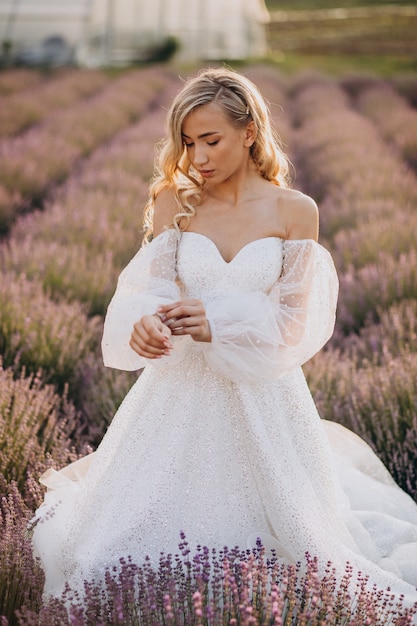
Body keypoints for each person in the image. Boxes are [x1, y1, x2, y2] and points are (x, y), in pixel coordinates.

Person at [32, 68, 417, 611]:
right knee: (110, 561)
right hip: (177, 397)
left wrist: (221, 324)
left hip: (264, 399)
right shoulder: (176, 201)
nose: (197, 158)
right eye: (187, 143)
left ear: (249, 132)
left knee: (301, 559)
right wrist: (146, 323)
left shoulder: (294, 212)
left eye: (210, 140)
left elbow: (296, 325)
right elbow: (150, 291)